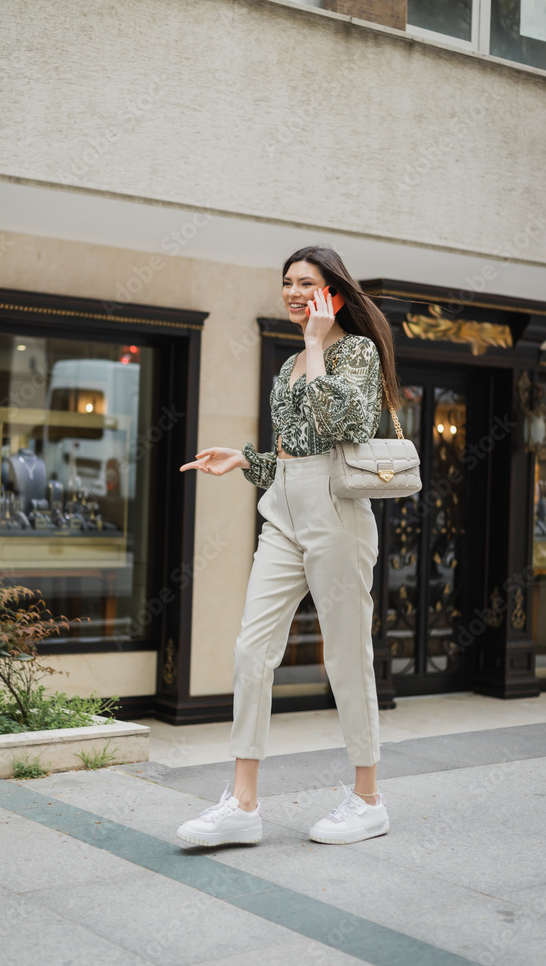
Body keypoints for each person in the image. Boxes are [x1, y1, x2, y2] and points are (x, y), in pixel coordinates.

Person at [176, 245, 402, 848]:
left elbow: (343, 427)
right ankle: (242, 803)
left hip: (337, 512)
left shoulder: (355, 351)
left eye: (307, 283)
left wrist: (317, 344)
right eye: (287, 283)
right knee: (251, 651)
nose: (294, 293)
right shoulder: (288, 364)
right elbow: (292, 452)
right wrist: (243, 459)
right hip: (283, 511)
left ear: (334, 293)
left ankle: (368, 799)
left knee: (346, 657)